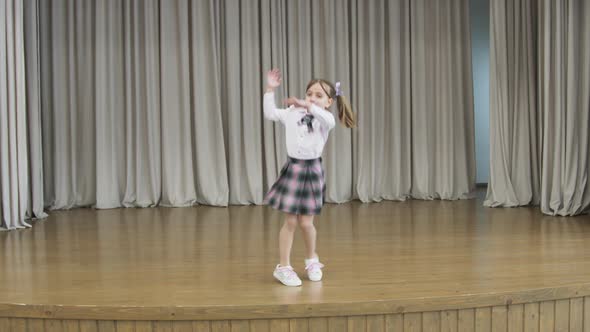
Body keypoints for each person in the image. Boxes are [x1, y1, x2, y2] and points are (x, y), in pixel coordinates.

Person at [263, 68, 356, 286]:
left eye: (318, 95)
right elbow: (271, 113)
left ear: (329, 101)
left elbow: (328, 120)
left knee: (306, 222)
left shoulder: (326, 118)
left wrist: (309, 106)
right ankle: (283, 267)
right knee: (291, 221)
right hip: (294, 169)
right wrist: (270, 89)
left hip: (312, 170)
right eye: (309, 94)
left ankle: (312, 258)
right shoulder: (292, 113)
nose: (312, 98)